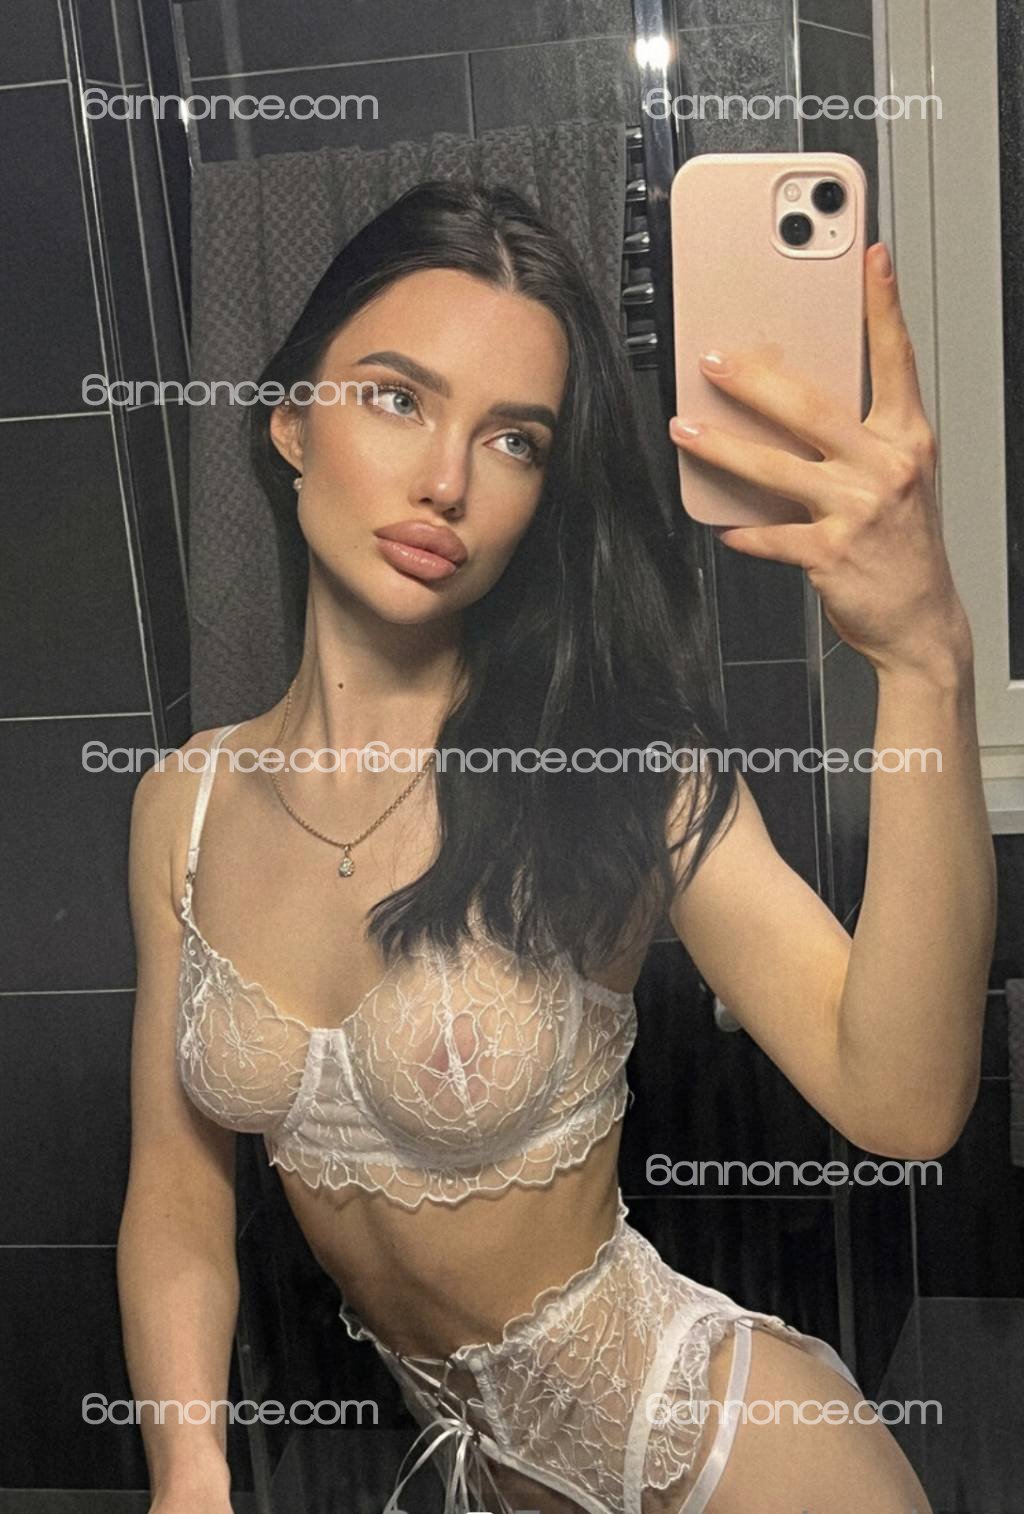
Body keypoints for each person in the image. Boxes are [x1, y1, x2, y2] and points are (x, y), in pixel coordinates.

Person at [119, 181, 994, 1514]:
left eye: (514, 440)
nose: (447, 480)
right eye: (397, 398)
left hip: (723, 1463)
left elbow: (906, 1101)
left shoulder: (610, 772)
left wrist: (926, 663)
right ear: (292, 419)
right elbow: (178, 1196)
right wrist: (188, 1474)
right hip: (487, 1480)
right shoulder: (182, 807)